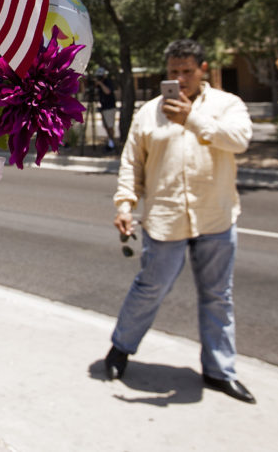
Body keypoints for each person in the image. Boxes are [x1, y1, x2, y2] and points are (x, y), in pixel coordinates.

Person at [104, 39, 257, 404]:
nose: (180, 78)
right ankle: (120, 351)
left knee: (219, 296)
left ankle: (220, 371)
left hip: (216, 218)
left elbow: (240, 140)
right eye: (174, 71)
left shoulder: (226, 105)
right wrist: (125, 205)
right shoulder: (148, 113)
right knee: (150, 288)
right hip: (165, 220)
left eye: (187, 71)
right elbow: (131, 164)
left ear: (202, 69)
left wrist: (191, 118)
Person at [95, 68, 117, 152]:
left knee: (110, 126)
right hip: (103, 107)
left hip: (109, 107)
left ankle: (112, 144)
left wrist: (100, 83)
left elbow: (107, 91)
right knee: (106, 126)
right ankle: (110, 142)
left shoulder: (107, 82)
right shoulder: (99, 84)